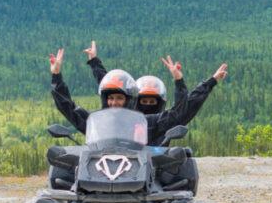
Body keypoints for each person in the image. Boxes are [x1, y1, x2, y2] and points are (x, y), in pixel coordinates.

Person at [48, 48, 227, 145]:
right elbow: (67, 107)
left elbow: (180, 113)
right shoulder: (95, 122)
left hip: (142, 176)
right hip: (98, 174)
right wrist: (57, 76)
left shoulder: (147, 122)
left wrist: (186, 82)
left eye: (119, 98)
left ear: (129, 100)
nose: (113, 102)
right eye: (110, 98)